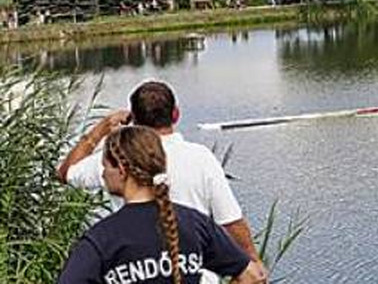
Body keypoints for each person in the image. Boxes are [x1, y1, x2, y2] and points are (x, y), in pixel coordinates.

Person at [57, 81, 267, 284]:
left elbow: (65, 173)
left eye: (106, 167)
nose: (104, 173)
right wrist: (254, 262)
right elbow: (232, 224)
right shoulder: (200, 167)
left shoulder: (102, 239)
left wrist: (101, 128)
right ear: (175, 114)